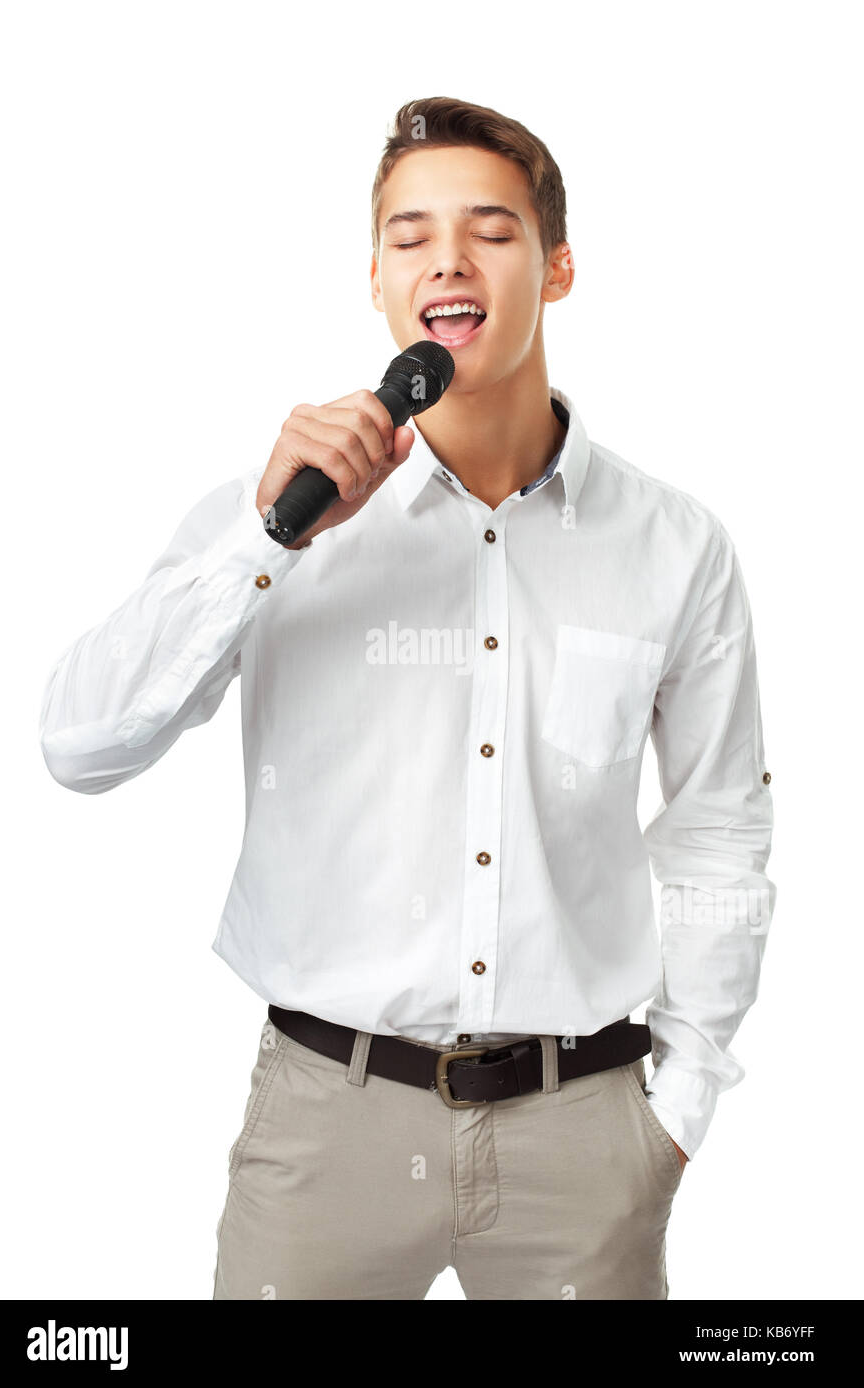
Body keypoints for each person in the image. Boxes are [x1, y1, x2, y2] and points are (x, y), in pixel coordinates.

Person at [38, 95, 776, 1300]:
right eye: (408, 234)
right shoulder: (273, 515)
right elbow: (78, 745)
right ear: (377, 282)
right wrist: (262, 543)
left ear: (558, 265)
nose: (446, 257)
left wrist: (679, 1101)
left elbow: (717, 826)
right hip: (324, 1129)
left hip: (584, 1136)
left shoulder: (673, 546)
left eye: (490, 229)